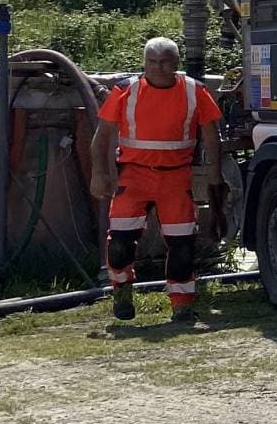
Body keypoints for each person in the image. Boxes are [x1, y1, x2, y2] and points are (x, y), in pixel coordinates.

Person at [91, 37, 222, 324]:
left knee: (182, 245)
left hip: (175, 178)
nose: (157, 67)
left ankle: (182, 304)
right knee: (119, 244)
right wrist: (98, 174)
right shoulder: (125, 90)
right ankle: (122, 292)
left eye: (164, 62)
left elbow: (212, 135)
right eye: (152, 62)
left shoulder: (195, 90)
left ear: (176, 64)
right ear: (144, 63)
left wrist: (215, 173)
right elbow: (101, 137)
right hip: (133, 176)